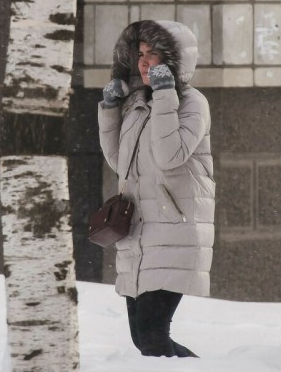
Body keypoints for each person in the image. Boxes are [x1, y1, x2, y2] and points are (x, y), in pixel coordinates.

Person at [97, 20, 215, 358]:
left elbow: (170, 156)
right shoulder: (137, 103)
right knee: (143, 340)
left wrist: (165, 96)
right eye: (141, 54)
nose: (146, 62)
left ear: (174, 62)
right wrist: (110, 111)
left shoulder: (193, 103)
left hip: (174, 232)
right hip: (139, 233)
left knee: (152, 337)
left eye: (155, 55)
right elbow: (121, 163)